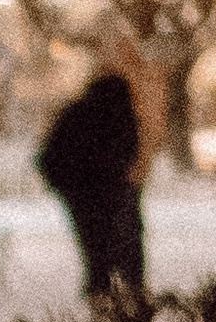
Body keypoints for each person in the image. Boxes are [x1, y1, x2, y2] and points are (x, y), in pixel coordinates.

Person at [37, 54, 146, 297]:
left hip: (80, 194)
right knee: (123, 243)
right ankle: (125, 291)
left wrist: (65, 184)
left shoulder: (75, 113)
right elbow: (129, 153)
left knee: (94, 246)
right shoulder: (121, 117)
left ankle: (100, 288)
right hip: (109, 191)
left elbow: (48, 156)